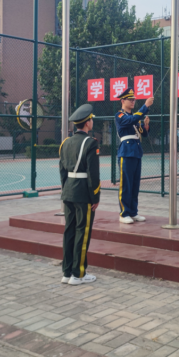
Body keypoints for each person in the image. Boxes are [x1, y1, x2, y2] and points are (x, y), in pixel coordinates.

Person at [58, 104, 100, 286]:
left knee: (69, 231)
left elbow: (62, 171)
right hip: (83, 194)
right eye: (91, 119)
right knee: (82, 232)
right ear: (87, 123)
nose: (92, 122)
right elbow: (93, 174)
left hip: (68, 191)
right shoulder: (90, 143)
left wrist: (66, 189)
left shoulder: (65, 143)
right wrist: (95, 196)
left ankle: (67, 272)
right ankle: (78, 274)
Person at [115, 88, 154, 224]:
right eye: (130, 99)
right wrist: (145, 106)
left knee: (135, 184)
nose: (133, 101)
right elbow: (131, 120)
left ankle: (133, 212)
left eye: (134, 99)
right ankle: (124, 213)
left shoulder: (134, 118)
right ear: (122, 101)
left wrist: (146, 125)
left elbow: (143, 133)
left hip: (136, 152)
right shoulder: (120, 115)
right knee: (126, 184)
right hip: (126, 152)